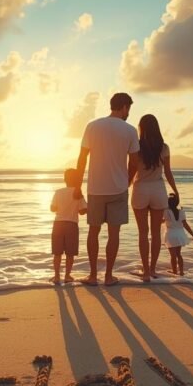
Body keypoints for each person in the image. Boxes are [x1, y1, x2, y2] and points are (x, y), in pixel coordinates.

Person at [75, 92, 141, 286]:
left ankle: (93, 276)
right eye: (128, 109)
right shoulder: (130, 130)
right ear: (124, 107)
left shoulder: (92, 126)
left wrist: (77, 185)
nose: (128, 113)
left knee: (93, 232)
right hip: (118, 188)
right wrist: (127, 182)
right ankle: (109, 276)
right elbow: (135, 162)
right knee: (114, 234)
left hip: (95, 188)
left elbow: (82, 158)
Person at [131, 114, 180, 282]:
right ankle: (152, 270)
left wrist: (123, 187)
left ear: (141, 128)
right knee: (156, 234)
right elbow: (168, 172)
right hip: (158, 190)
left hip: (140, 189)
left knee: (143, 233)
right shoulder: (164, 147)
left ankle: (145, 272)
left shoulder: (136, 147)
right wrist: (175, 190)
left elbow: (131, 171)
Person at [50, 168, 87, 285]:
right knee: (70, 253)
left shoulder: (58, 192)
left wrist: (60, 207)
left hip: (58, 224)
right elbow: (83, 211)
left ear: (65, 179)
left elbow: (52, 208)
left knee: (57, 253)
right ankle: (67, 276)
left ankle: (57, 276)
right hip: (71, 224)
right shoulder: (78, 193)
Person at [164, 193, 193, 276]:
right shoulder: (181, 211)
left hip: (170, 234)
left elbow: (161, 221)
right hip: (180, 234)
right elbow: (185, 225)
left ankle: (174, 271)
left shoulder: (166, 212)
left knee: (172, 255)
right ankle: (181, 272)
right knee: (178, 254)